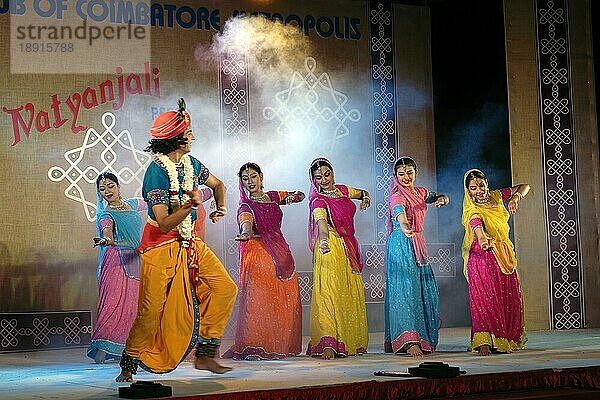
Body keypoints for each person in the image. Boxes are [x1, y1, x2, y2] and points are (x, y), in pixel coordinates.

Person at [116, 99, 237, 382]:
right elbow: (162, 222)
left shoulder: (191, 163)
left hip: (190, 242)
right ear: (175, 139)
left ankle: (206, 353)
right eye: (188, 133)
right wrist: (188, 206)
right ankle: (130, 362)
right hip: (160, 246)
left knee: (225, 289)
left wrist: (221, 207)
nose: (193, 137)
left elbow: (219, 184)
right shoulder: (156, 173)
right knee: (151, 308)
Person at [223, 162, 304, 360]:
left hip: (280, 250)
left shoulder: (273, 197)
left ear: (261, 177)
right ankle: (255, 345)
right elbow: (246, 222)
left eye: (252, 176)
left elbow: (300, 195)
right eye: (245, 178)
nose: (249, 181)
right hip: (258, 251)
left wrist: (293, 198)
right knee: (259, 300)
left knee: (284, 296)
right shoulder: (245, 206)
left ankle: (280, 345)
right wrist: (245, 233)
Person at [384, 157, 449, 357]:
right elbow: (399, 214)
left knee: (423, 289)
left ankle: (421, 337)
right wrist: (405, 227)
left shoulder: (419, 192)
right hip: (401, 243)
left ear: (416, 173)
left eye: (409, 172)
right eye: (401, 174)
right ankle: (408, 339)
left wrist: (442, 199)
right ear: (395, 176)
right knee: (406, 291)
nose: (406, 177)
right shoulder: (397, 195)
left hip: (417, 243)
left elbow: (435, 196)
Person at [306, 157, 370, 360]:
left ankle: (348, 340)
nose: (324, 180)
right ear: (313, 180)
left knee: (347, 291)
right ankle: (328, 342)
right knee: (329, 293)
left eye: (327, 174)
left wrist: (365, 198)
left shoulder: (342, 190)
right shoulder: (318, 201)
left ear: (333, 173)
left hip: (348, 246)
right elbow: (322, 225)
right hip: (330, 246)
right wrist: (323, 240)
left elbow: (361, 193)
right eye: (319, 177)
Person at [462, 169, 529, 356]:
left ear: (487, 184)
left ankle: (505, 337)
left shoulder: (497, 196)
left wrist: (516, 197)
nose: (479, 191)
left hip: (503, 254)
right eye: (473, 188)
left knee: (507, 297)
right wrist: (483, 239)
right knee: (485, 299)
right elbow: (476, 226)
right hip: (482, 256)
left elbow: (525, 186)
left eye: (481, 185)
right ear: (468, 190)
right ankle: (483, 341)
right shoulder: (472, 209)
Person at [87, 172, 145, 364]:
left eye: (110, 186)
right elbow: (108, 233)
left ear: (119, 186)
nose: (107, 191)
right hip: (115, 262)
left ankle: (130, 347)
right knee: (112, 305)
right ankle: (103, 348)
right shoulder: (106, 214)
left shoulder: (134, 204)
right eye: (102, 189)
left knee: (133, 306)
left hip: (135, 260)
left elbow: (155, 202)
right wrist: (105, 240)